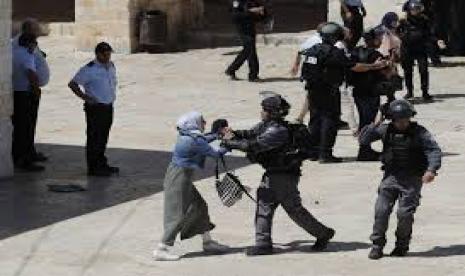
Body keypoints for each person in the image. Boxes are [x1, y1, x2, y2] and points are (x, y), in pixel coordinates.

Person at [222, 95, 335, 256]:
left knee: (292, 210)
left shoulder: (277, 131)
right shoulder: (268, 125)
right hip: (275, 174)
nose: (262, 112)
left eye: (264, 110)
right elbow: (250, 133)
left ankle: (322, 234)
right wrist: (233, 134)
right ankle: (263, 243)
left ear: (271, 113)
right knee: (265, 204)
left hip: (283, 176)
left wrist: (229, 143)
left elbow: (253, 145)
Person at [359, 99, 442, 260]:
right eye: (398, 120)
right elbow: (363, 140)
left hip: (411, 180)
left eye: (405, 119)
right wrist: (375, 124)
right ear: (392, 119)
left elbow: (433, 150)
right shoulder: (384, 130)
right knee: (381, 211)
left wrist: (431, 170)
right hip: (390, 177)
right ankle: (377, 245)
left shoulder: (419, 132)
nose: (402, 123)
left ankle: (401, 246)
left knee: (404, 214)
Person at [300, 22, 389, 163]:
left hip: (312, 90)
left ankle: (314, 152)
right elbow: (354, 67)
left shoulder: (313, 50)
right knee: (329, 120)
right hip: (329, 91)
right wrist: (374, 66)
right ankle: (325, 154)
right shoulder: (333, 53)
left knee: (315, 119)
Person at [153, 112, 230, 261]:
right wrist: (229, 142)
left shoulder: (188, 135)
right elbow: (216, 154)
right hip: (179, 179)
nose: (205, 122)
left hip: (181, 177)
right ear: (193, 123)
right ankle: (161, 249)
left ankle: (207, 242)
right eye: (202, 121)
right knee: (176, 215)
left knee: (200, 206)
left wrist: (216, 135)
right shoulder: (193, 140)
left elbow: (204, 139)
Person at [68, 42, 120, 177]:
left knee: (103, 136)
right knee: (94, 138)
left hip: (108, 106)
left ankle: (102, 163)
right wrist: (85, 97)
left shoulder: (111, 66)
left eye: (109, 54)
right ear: (98, 54)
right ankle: (93, 167)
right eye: (105, 54)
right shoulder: (89, 69)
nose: (108, 57)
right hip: (95, 108)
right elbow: (73, 84)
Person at [12, 18, 50, 163]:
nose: (38, 33)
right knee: (25, 126)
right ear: (28, 31)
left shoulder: (22, 43)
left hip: (22, 91)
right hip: (26, 92)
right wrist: (36, 89)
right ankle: (23, 157)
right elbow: (30, 72)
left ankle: (29, 152)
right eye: (36, 30)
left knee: (27, 125)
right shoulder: (24, 50)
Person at [348, 27, 387, 161]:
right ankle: (364, 150)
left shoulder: (354, 52)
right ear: (374, 39)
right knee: (368, 121)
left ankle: (365, 149)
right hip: (371, 91)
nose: (381, 40)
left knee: (365, 119)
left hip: (358, 91)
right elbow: (386, 73)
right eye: (380, 38)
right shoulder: (375, 55)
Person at [398, 0, 441, 100]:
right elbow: (395, 31)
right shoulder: (403, 21)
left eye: (417, 9)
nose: (416, 11)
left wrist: (437, 41)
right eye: (413, 9)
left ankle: (425, 92)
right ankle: (410, 92)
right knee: (408, 71)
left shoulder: (424, 19)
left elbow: (429, 33)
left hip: (420, 48)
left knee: (423, 70)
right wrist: (402, 37)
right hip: (407, 49)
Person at [225, 0, 265, 82]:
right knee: (250, 49)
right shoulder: (237, 2)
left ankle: (232, 70)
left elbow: (258, 14)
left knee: (249, 50)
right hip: (242, 29)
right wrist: (251, 12)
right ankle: (252, 75)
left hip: (251, 28)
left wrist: (262, 15)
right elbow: (235, 16)